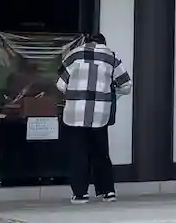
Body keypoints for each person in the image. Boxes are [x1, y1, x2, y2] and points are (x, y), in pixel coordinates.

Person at [56, 32, 131, 203]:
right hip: (99, 113)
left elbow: (60, 84)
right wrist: (112, 93)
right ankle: (107, 191)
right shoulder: (111, 57)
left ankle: (80, 194)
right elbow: (126, 85)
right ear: (104, 43)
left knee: (78, 153)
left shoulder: (74, 55)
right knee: (101, 153)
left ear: (87, 42)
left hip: (75, 114)